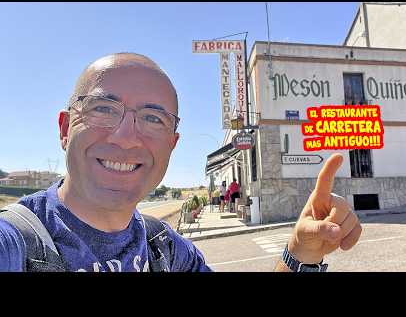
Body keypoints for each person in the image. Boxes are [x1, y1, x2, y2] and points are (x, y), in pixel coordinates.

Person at [0, 53, 362, 272]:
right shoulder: (15, 243)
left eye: (153, 119)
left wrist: (302, 253)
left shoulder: (168, 250)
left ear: (172, 145)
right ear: (65, 128)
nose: (127, 137)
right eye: (103, 109)